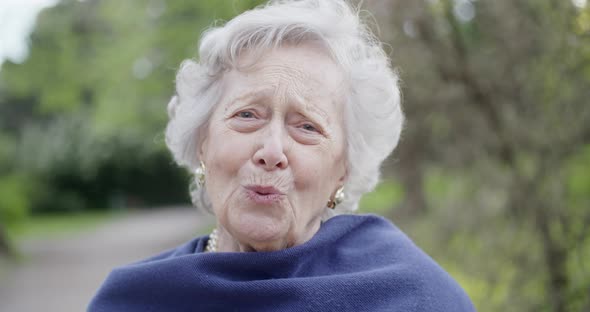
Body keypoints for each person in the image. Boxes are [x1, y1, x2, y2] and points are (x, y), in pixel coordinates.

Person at [88, 0, 475, 311]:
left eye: (307, 126)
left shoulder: (412, 296)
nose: (272, 152)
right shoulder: (136, 300)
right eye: (246, 115)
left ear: (343, 170)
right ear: (203, 141)